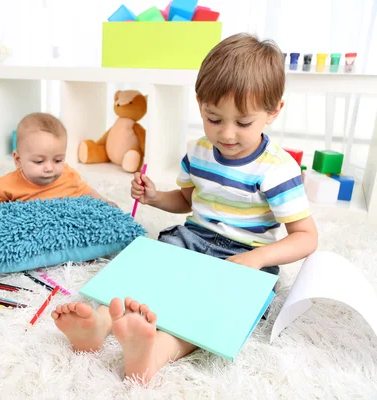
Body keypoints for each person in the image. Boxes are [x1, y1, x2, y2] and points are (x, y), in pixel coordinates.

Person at [51, 33, 318, 384]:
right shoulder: (199, 151)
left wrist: (257, 259)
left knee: (203, 312)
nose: (226, 134)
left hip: (245, 258)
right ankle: (99, 324)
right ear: (199, 104)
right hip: (192, 238)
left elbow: (306, 237)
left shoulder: (277, 169)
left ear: (274, 111)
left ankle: (153, 355)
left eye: (243, 122)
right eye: (213, 117)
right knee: (145, 269)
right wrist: (156, 197)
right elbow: (189, 201)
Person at [0, 112, 115, 212]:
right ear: (18, 160)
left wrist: (106, 202)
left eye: (58, 160)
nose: (49, 168)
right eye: (39, 161)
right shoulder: (10, 183)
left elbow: (87, 191)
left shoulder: (69, 176)